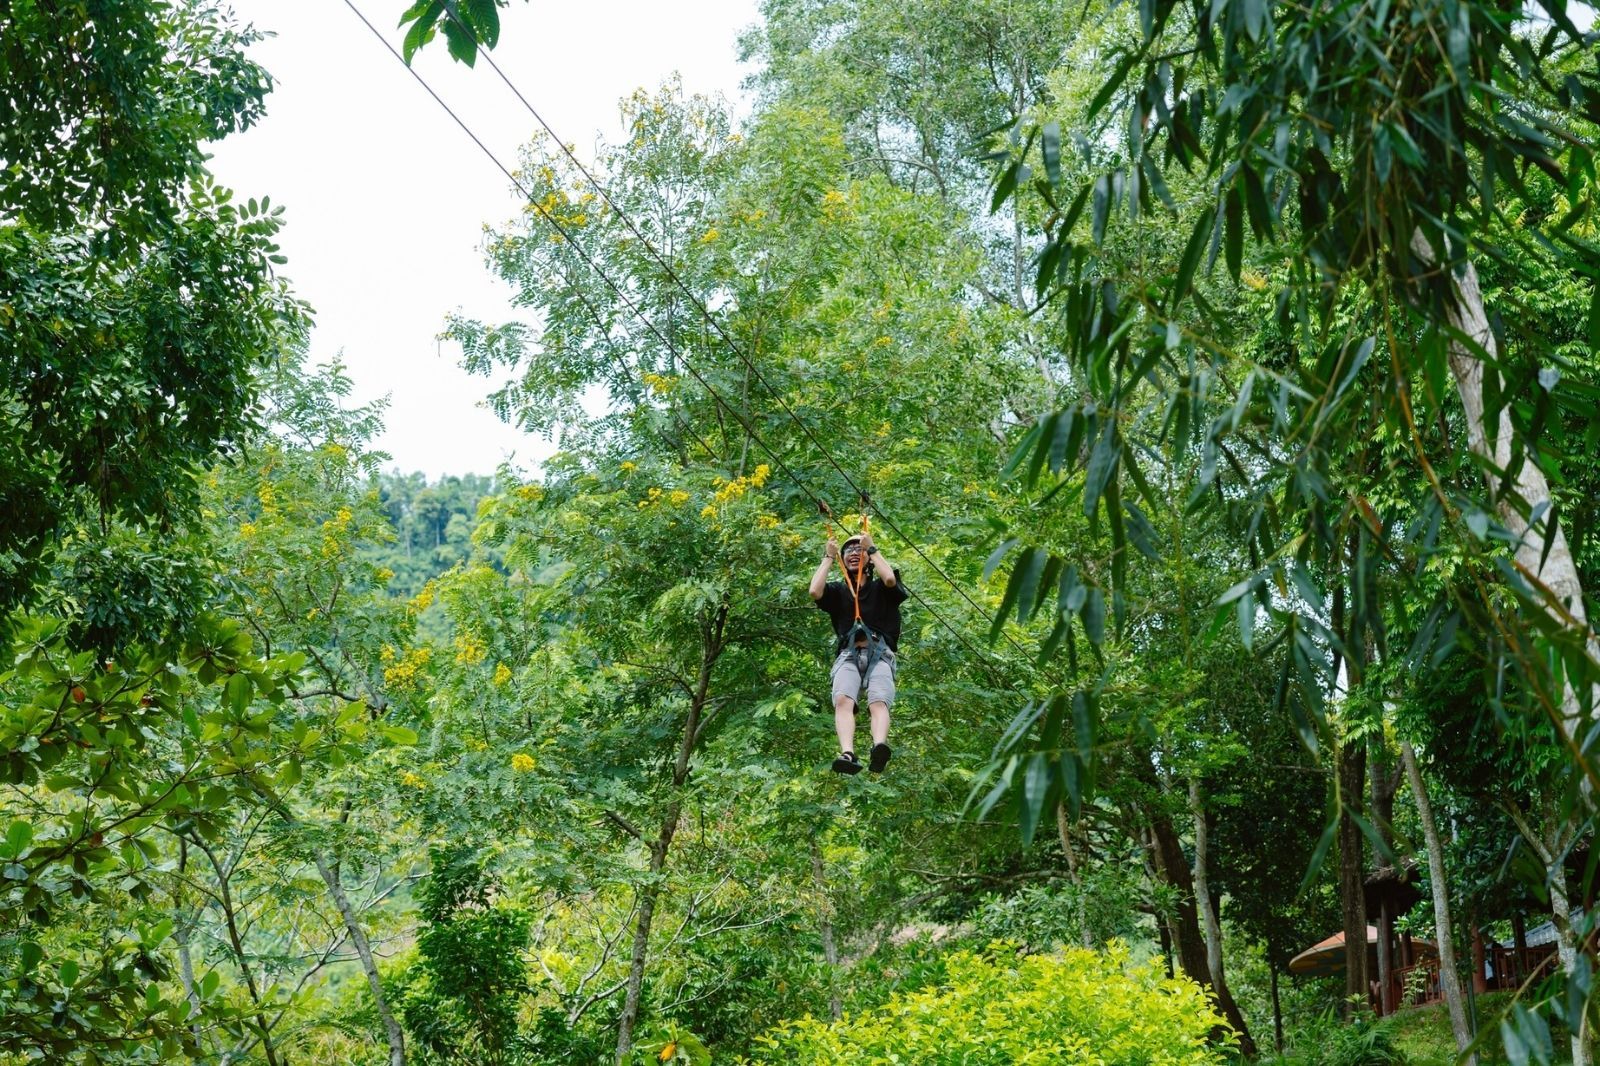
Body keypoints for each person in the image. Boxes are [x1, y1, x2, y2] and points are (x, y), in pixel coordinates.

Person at [808, 530, 908, 774]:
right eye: (848, 551)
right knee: (843, 700)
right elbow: (814, 591)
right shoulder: (837, 592)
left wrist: (872, 549)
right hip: (848, 654)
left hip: (880, 653)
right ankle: (847, 752)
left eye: (858, 550)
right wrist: (828, 557)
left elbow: (890, 581)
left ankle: (879, 745)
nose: (854, 553)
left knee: (878, 701)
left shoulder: (880, 588)